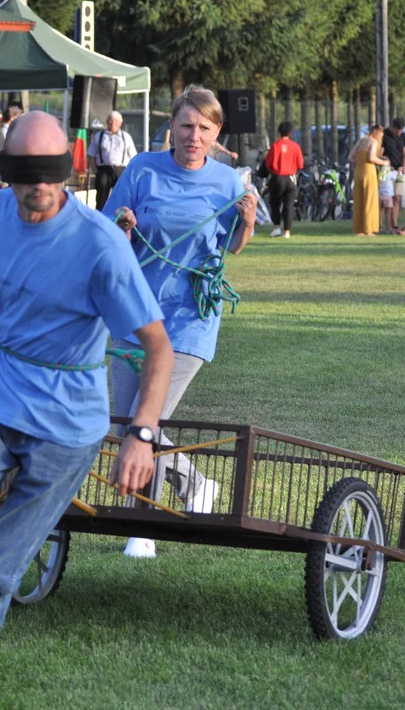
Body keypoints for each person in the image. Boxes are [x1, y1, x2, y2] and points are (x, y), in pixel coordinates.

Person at [0, 110, 172, 702]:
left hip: (69, 421)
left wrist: (141, 434)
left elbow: (157, 346)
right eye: (25, 173)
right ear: (6, 172)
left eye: (50, 173)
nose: (39, 187)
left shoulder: (101, 246)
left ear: (70, 171)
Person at [103, 85, 256, 559]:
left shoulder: (229, 182)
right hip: (134, 315)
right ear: (171, 125)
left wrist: (247, 222)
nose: (193, 136)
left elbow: (233, 246)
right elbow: (108, 236)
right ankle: (196, 485)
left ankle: (140, 527)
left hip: (189, 320)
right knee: (124, 425)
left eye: (204, 128)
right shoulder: (142, 169)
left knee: (144, 423)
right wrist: (123, 227)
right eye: (186, 125)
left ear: (217, 134)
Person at [87, 110, 138, 211]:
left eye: (115, 121)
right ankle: (100, 220)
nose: (113, 123)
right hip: (103, 170)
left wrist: (130, 174)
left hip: (121, 171)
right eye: (110, 120)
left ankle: (120, 221)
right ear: (107, 122)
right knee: (101, 197)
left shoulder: (126, 137)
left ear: (120, 123)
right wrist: (96, 171)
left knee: (122, 198)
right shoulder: (99, 136)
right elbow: (91, 155)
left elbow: (133, 157)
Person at [264, 120, 304, 238]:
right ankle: (287, 231)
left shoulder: (275, 146)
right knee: (289, 205)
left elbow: (268, 163)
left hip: (277, 177)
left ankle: (277, 227)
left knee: (275, 203)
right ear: (291, 132)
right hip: (291, 178)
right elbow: (300, 164)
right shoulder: (295, 146)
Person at [349, 125, 389, 236]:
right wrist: (384, 163)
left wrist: (359, 162)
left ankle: (359, 228)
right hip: (368, 171)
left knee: (359, 199)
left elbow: (350, 157)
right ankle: (369, 228)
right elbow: (371, 158)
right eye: (381, 134)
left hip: (358, 171)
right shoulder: (373, 141)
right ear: (376, 132)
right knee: (370, 200)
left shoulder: (361, 141)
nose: (381, 136)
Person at [379, 117, 405, 234]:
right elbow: (379, 153)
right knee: (384, 198)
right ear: (392, 127)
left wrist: (403, 166)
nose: (399, 133)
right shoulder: (384, 135)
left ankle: (394, 224)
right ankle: (380, 225)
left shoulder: (403, 136)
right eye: (397, 131)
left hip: (399, 171)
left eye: (401, 131)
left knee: (397, 197)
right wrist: (386, 162)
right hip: (385, 170)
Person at [378, 166, 398, 231]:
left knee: (380, 212)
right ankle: (388, 228)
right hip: (388, 196)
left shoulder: (380, 173)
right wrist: (397, 170)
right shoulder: (389, 172)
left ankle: (379, 226)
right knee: (388, 213)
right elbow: (396, 177)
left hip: (380, 195)